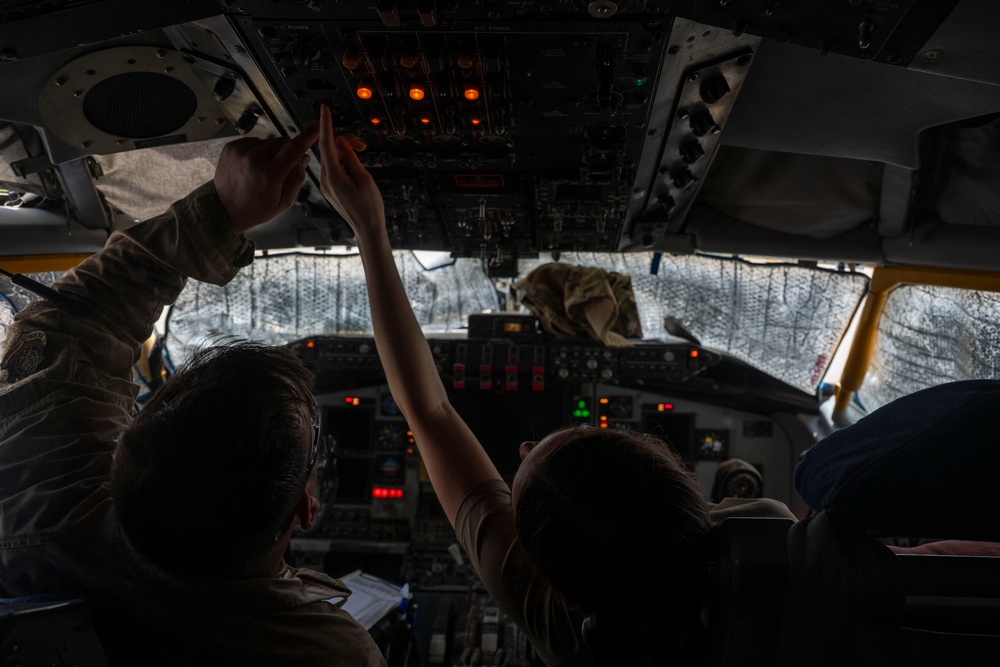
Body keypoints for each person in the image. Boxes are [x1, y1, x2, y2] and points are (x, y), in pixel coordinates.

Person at [316, 105, 795, 667]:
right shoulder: (770, 534)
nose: (522, 448)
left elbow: (430, 412)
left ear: (551, 579)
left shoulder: (561, 623)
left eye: (523, 467)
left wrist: (370, 229)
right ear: (678, 482)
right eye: (572, 437)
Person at [0, 127, 386, 666]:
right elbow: (68, 327)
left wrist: (221, 211)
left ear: (125, 444)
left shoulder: (34, 508)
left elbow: (70, 327)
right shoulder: (329, 651)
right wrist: (222, 209)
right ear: (307, 507)